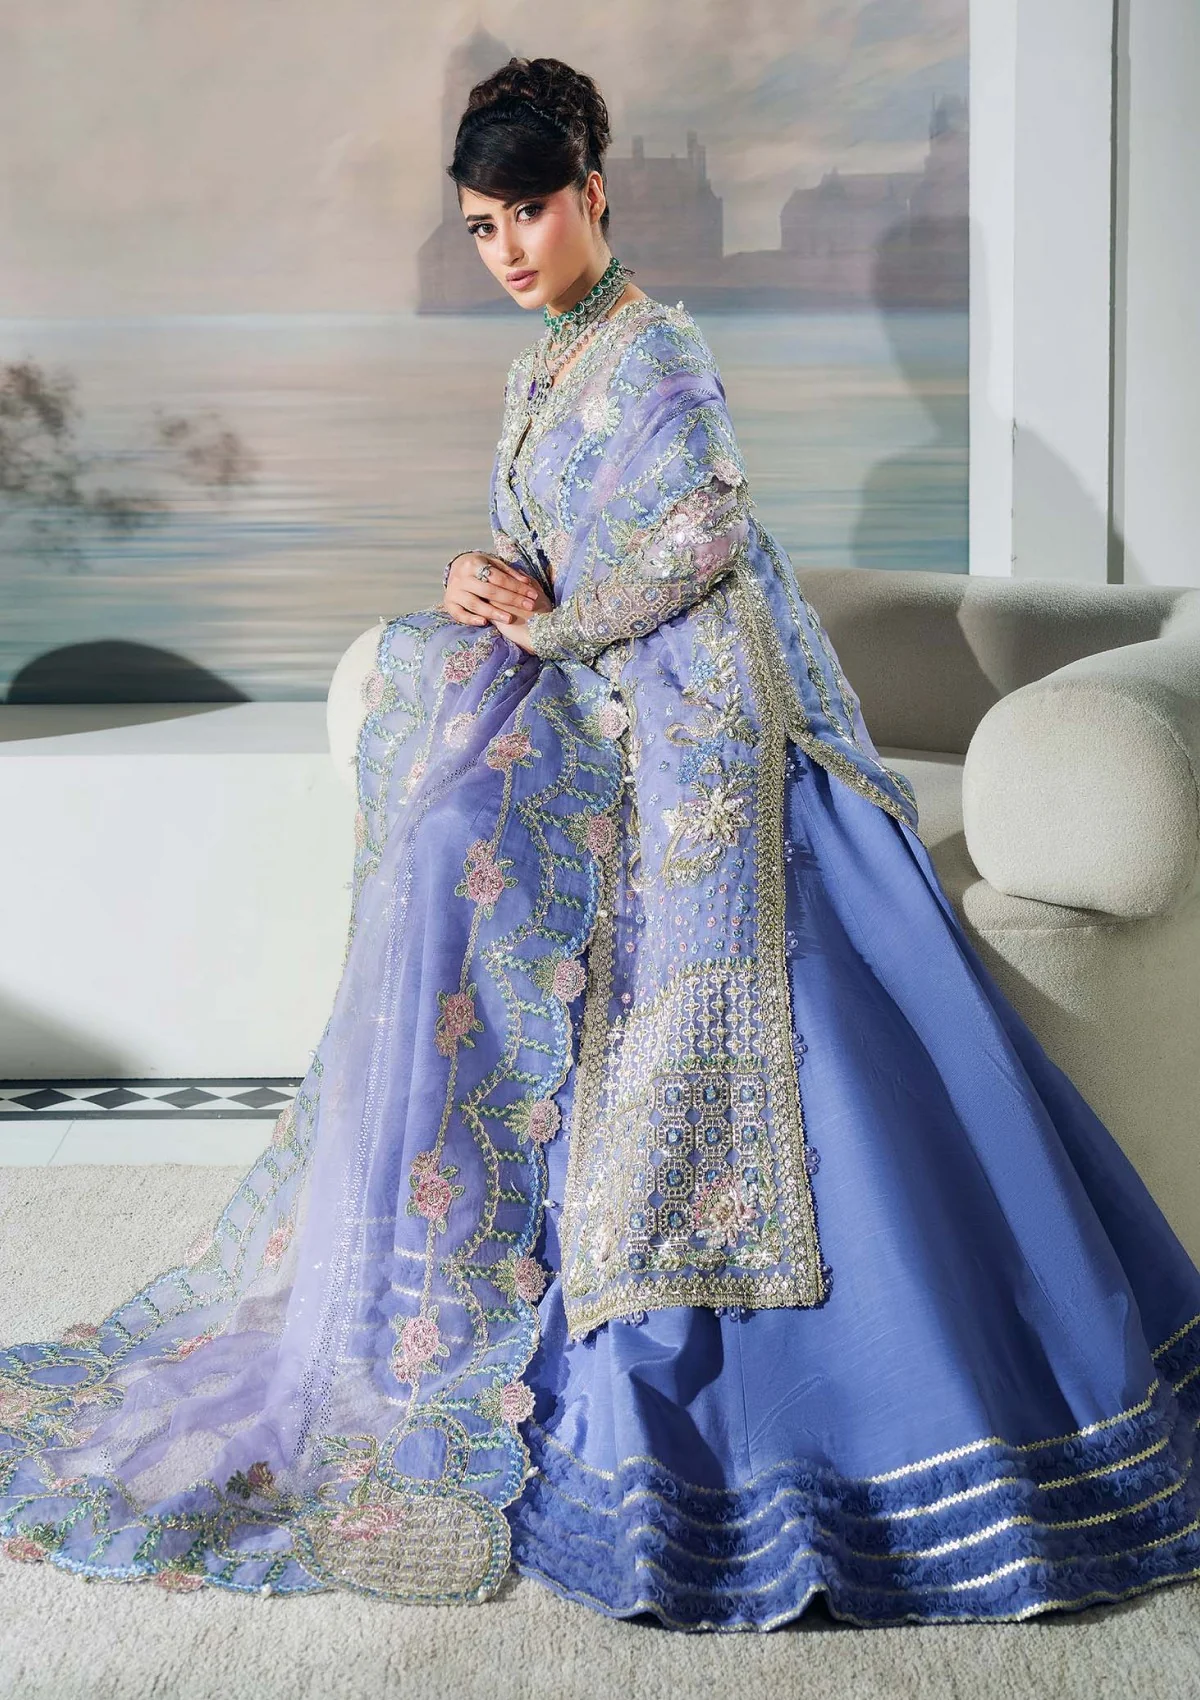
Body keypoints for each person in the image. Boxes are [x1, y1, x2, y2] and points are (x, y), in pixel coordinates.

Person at [2, 55, 1199, 1634]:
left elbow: (699, 538)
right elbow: (542, 541)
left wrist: (552, 629)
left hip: (702, 704)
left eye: (529, 212)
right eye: (482, 225)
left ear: (594, 191)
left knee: (597, 901)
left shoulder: (661, 353)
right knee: (445, 827)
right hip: (599, 680)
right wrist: (482, 578)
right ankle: (431, 1277)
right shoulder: (540, 369)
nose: (507, 248)